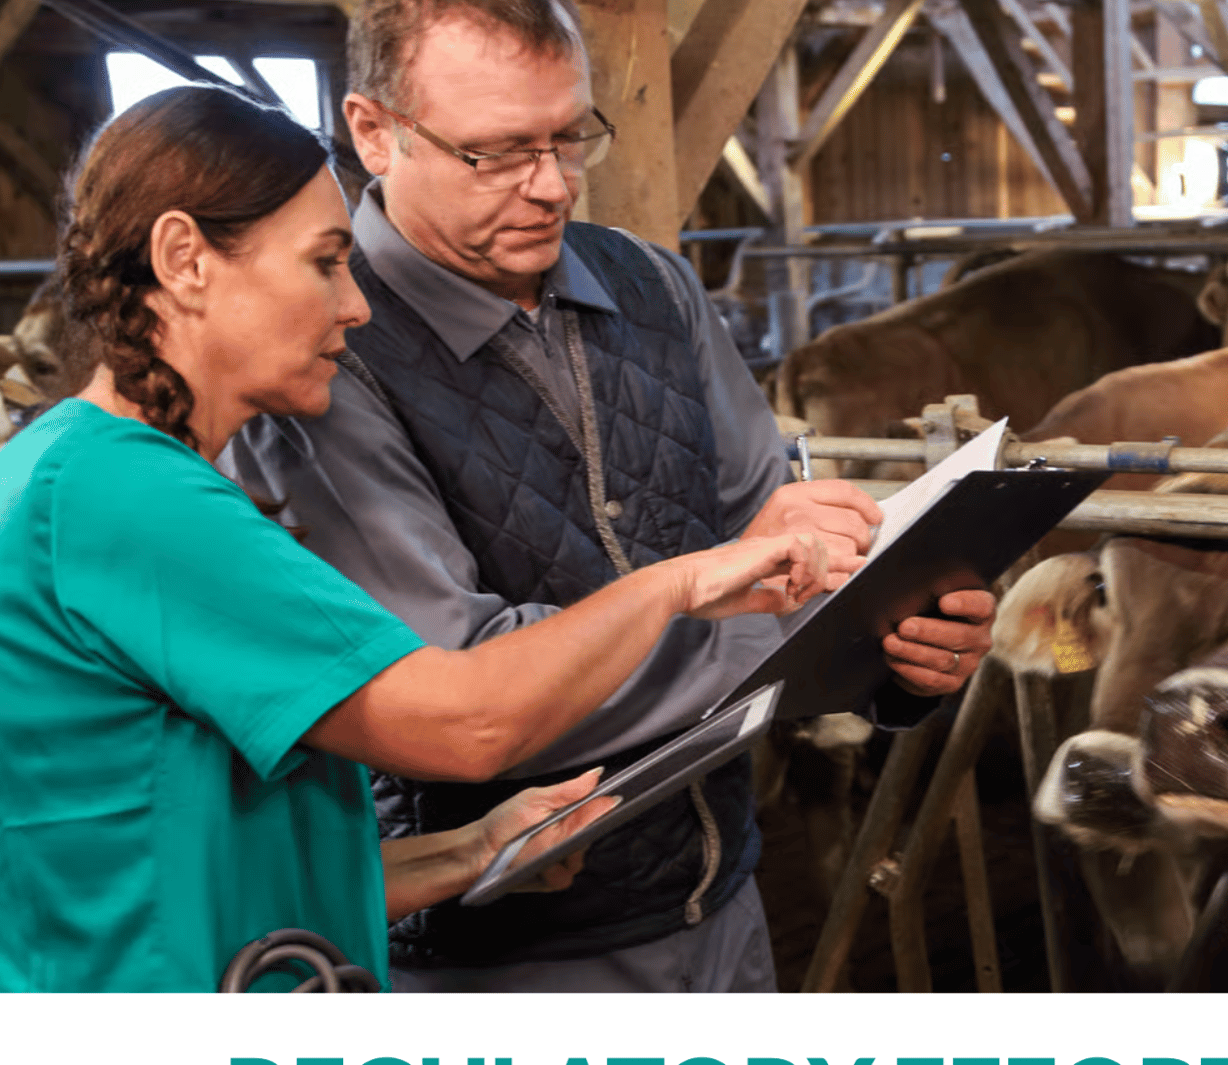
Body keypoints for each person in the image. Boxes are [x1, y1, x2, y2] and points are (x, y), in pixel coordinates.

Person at [223, 0, 996, 992]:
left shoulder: (658, 293)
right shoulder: (327, 356)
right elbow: (464, 688)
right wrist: (780, 623)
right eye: (496, 153)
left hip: (720, 905)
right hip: (499, 964)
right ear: (374, 132)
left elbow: (791, 557)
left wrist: (895, 650)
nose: (550, 186)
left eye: (568, 137)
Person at [0, 84, 844, 992]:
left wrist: (470, 849)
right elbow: (468, 722)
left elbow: (223, 861)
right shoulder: (124, 497)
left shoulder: (103, 475)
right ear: (185, 258)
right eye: (325, 262)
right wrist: (679, 583)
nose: (355, 306)